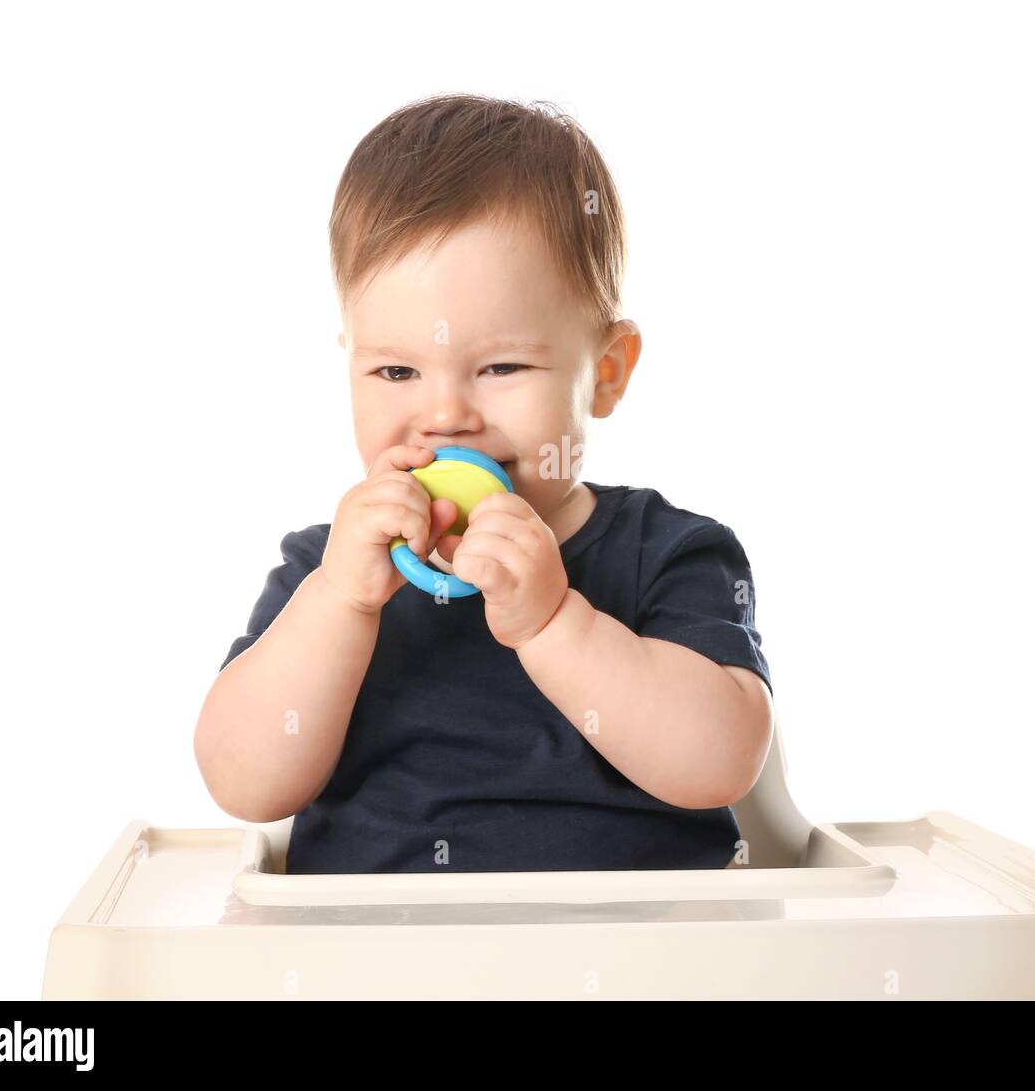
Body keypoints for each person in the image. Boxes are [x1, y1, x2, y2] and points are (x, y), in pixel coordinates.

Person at [193, 94, 774, 873]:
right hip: (373, 958)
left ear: (604, 373)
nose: (444, 415)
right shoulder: (326, 570)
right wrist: (339, 603)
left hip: (632, 955)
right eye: (395, 369)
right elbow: (241, 780)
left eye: (500, 368)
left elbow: (720, 760)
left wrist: (553, 623)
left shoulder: (667, 552)